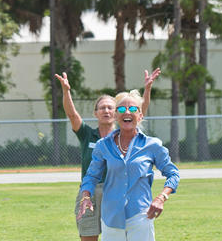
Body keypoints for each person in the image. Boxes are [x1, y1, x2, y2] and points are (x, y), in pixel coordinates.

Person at [56, 69, 160, 241]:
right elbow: (72, 115)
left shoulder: (123, 135)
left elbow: (141, 111)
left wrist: (147, 90)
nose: (106, 110)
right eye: (102, 108)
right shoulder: (88, 135)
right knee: (88, 236)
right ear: (96, 113)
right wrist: (66, 91)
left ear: (117, 112)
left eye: (110, 107)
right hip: (90, 193)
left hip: (116, 192)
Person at [76, 82, 178, 241]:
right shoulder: (103, 145)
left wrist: (161, 198)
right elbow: (91, 176)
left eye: (133, 109)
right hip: (110, 219)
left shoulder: (152, 145)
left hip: (141, 216)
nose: (127, 112)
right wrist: (86, 196)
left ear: (140, 115)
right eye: (122, 109)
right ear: (116, 116)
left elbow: (173, 174)